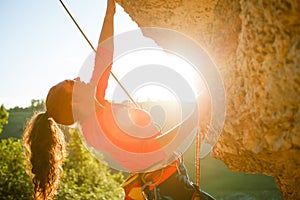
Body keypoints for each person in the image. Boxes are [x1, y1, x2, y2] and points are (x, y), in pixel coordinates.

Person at [23, 0, 213, 199]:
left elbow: (104, 57)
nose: (78, 78)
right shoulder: (99, 129)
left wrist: (109, 12)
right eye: (72, 82)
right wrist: (196, 116)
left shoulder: (95, 105)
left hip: (169, 180)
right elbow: (156, 149)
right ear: (74, 102)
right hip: (168, 188)